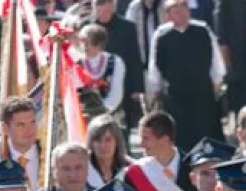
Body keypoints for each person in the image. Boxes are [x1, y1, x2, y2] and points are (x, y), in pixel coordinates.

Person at [147, 0, 225, 152]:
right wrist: (155, 88)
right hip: (175, 94)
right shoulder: (162, 35)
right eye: (176, 11)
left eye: (183, 9)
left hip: (202, 91)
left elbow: (215, 58)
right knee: (180, 136)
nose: (181, 14)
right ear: (168, 15)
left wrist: (217, 80)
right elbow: (155, 65)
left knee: (206, 133)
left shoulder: (202, 30)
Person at [124, 111, 194, 191]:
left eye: (146, 138)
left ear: (164, 140)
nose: (141, 144)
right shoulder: (136, 173)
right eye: (141, 137)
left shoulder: (194, 167)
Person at [90, 0, 144, 135]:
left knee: (120, 128)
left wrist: (137, 87)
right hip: (93, 87)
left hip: (120, 86)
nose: (102, 9)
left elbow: (134, 58)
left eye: (105, 5)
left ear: (113, 7)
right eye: (98, 5)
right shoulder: (87, 28)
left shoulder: (127, 27)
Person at [78, 24, 127, 116]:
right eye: (82, 42)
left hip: (110, 115)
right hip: (82, 116)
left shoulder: (115, 62)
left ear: (99, 44)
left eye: (88, 42)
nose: (84, 46)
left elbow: (116, 94)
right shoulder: (76, 63)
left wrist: (101, 112)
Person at [86, 113, 132, 190]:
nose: (103, 145)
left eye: (108, 140)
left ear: (116, 141)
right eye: (98, 140)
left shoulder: (129, 168)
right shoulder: (82, 168)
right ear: (91, 143)